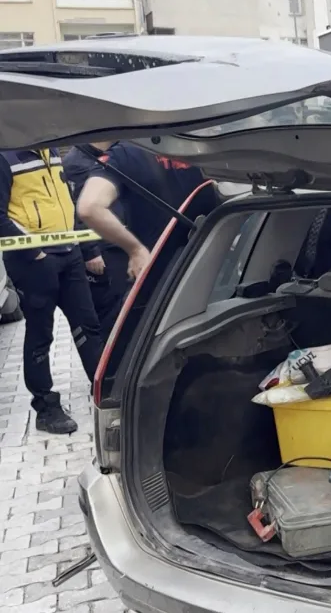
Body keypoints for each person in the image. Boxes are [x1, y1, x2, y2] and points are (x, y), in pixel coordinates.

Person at [0, 148, 103, 434]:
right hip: (32, 261)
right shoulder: (5, 157)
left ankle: (104, 387)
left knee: (88, 325)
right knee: (40, 334)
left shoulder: (51, 150)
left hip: (70, 254)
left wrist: (88, 249)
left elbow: (68, 201)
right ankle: (46, 408)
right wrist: (35, 253)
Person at [77, 141, 219, 280]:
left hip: (162, 271)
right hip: (216, 255)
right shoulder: (205, 143)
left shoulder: (124, 153)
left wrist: (135, 249)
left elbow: (89, 207)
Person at [62, 142, 130, 340]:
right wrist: (91, 251)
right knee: (110, 310)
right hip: (102, 249)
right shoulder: (76, 163)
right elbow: (77, 211)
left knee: (125, 303)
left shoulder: (108, 154)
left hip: (118, 242)